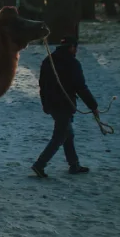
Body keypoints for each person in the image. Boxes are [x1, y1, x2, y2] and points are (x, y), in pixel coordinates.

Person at [32, 36, 100, 177]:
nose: (76, 50)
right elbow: (81, 87)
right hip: (64, 104)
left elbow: (42, 85)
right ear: (71, 47)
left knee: (68, 134)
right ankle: (40, 164)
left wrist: (45, 104)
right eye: (75, 48)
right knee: (60, 136)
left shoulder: (48, 60)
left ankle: (74, 165)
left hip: (52, 104)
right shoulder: (72, 63)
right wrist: (93, 106)